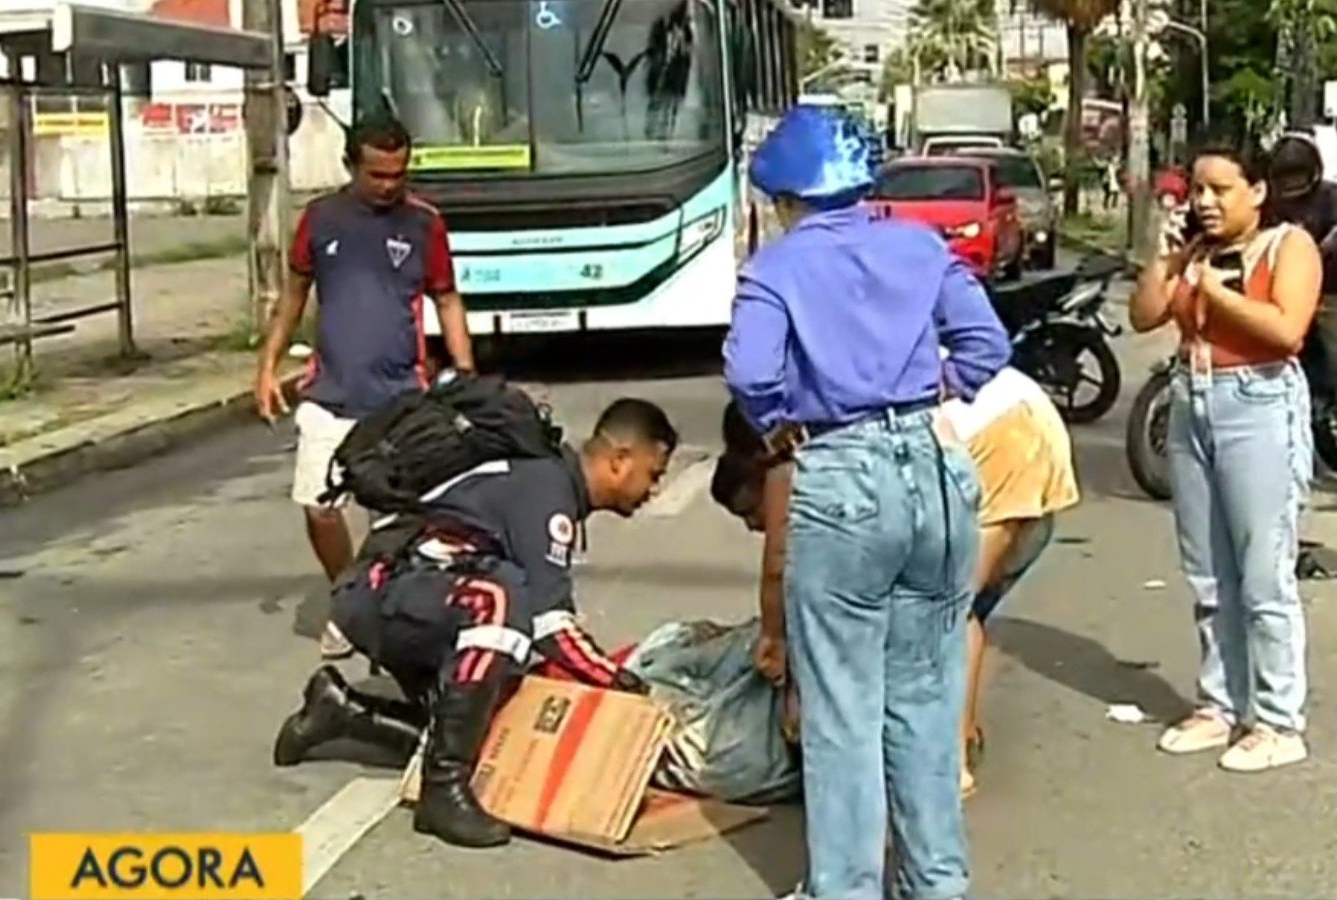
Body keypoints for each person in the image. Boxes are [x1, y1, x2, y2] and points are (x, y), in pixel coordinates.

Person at [723, 104, 1010, 900]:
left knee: (843, 711)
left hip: (841, 472)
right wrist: (934, 389)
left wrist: (785, 425)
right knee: (925, 693)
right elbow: (987, 344)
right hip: (932, 469)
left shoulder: (775, 270)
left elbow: (750, 375)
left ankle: (844, 889)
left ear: (783, 195)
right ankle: (937, 884)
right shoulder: (921, 247)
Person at [271, 398, 677, 849]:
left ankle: (342, 712)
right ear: (620, 460)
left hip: (411, 593)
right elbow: (551, 626)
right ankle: (441, 793)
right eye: (654, 473)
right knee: (498, 602)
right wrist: (625, 685)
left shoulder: (545, 480)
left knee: (484, 720)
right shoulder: (547, 489)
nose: (654, 489)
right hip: (384, 590)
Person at [712, 361, 1080, 798]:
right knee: (948, 604)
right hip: (1013, 418)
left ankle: (951, 764)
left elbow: (780, 561)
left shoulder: (788, 448)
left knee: (948, 608)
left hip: (1001, 435)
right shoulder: (826, 387)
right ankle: (956, 738)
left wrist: (775, 640)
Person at [1128, 140, 1324, 773]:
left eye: (1221, 190)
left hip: (1258, 402)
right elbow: (1145, 316)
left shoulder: (1287, 245)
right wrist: (1167, 260)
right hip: (1194, 400)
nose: (1206, 202)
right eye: (1198, 191)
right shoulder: (1196, 253)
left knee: (1263, 572)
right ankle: (1220, 702)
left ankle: (1277, 718)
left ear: (1258, 192)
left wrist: (1217, 289)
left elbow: (1287, 331)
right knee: (1210, 572)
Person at [254, 115, 478, 660]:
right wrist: (267, 366)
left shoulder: (425, 224)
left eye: (398, 174)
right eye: (377, 174)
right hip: (329, 393)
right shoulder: (319, 219)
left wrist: (466, 378)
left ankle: (384, 610)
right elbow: (294, 295)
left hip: (402, 396)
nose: (389, 185)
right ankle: (347, 593)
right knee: (318, 507)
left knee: (397, 521)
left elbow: (446, 299)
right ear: (350, 165)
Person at [1268, 131, 1337, 484]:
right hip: (1284, 291)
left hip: (1333, 291)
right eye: (1286, 178)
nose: (1292, 184)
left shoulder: (1333, 196)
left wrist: (1316, 252)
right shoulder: (1271, 202)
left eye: (1298, 175)